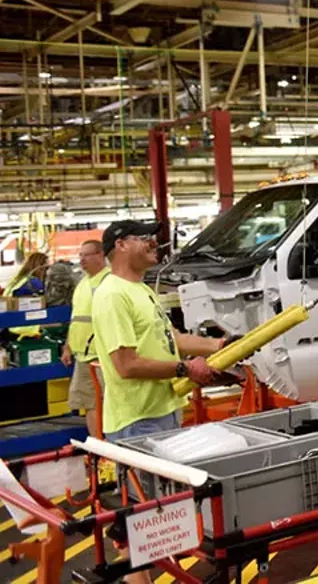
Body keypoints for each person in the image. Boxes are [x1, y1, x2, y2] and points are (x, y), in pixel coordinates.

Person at [92, 221, 228, 584]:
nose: (155, 243)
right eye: (144, 238)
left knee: (158, 514)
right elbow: (125, 365)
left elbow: (174, 339)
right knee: (142, 517)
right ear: (120, 245)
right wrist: (185, 368)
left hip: (162, 412)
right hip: (137, 421)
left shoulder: (141, 291)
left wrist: (219, 347)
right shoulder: (112, 295)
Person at [60, 240, 110, 439]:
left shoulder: (108, 281)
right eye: (80, 255)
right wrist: (68, 347)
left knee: (109, 402)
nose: (81, 260)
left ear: (100, 255)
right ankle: (100, 447)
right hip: (83, 356)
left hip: (103, 356)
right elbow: (77, 319)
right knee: (89, 402)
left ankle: (116, 449)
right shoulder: (82, 284)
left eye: (86, 255)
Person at [5, 251, 50, 337]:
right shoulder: (34, 282)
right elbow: (48, 300)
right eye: (47, 267)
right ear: (40, 267)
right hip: (22, 326)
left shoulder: (18, 280)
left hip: (8, 324)